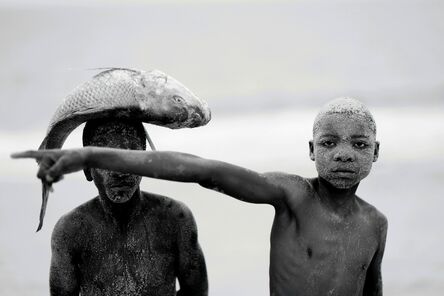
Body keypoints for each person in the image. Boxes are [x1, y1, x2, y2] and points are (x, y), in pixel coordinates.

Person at [13, 97, 387, 296]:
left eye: (358, 144)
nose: (343, 154)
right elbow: (204, 171)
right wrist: (90, 154)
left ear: (375, 152)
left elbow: (372, 288)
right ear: (311, 150)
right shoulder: (292, 196)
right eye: (328, 143)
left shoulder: (375, 224)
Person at [32, 118, 208, 296]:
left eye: (130, 156)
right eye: (106, 159)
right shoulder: (72, 230)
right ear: (87, 170)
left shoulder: (175, 219)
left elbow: (197, 292)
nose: (120, 171)